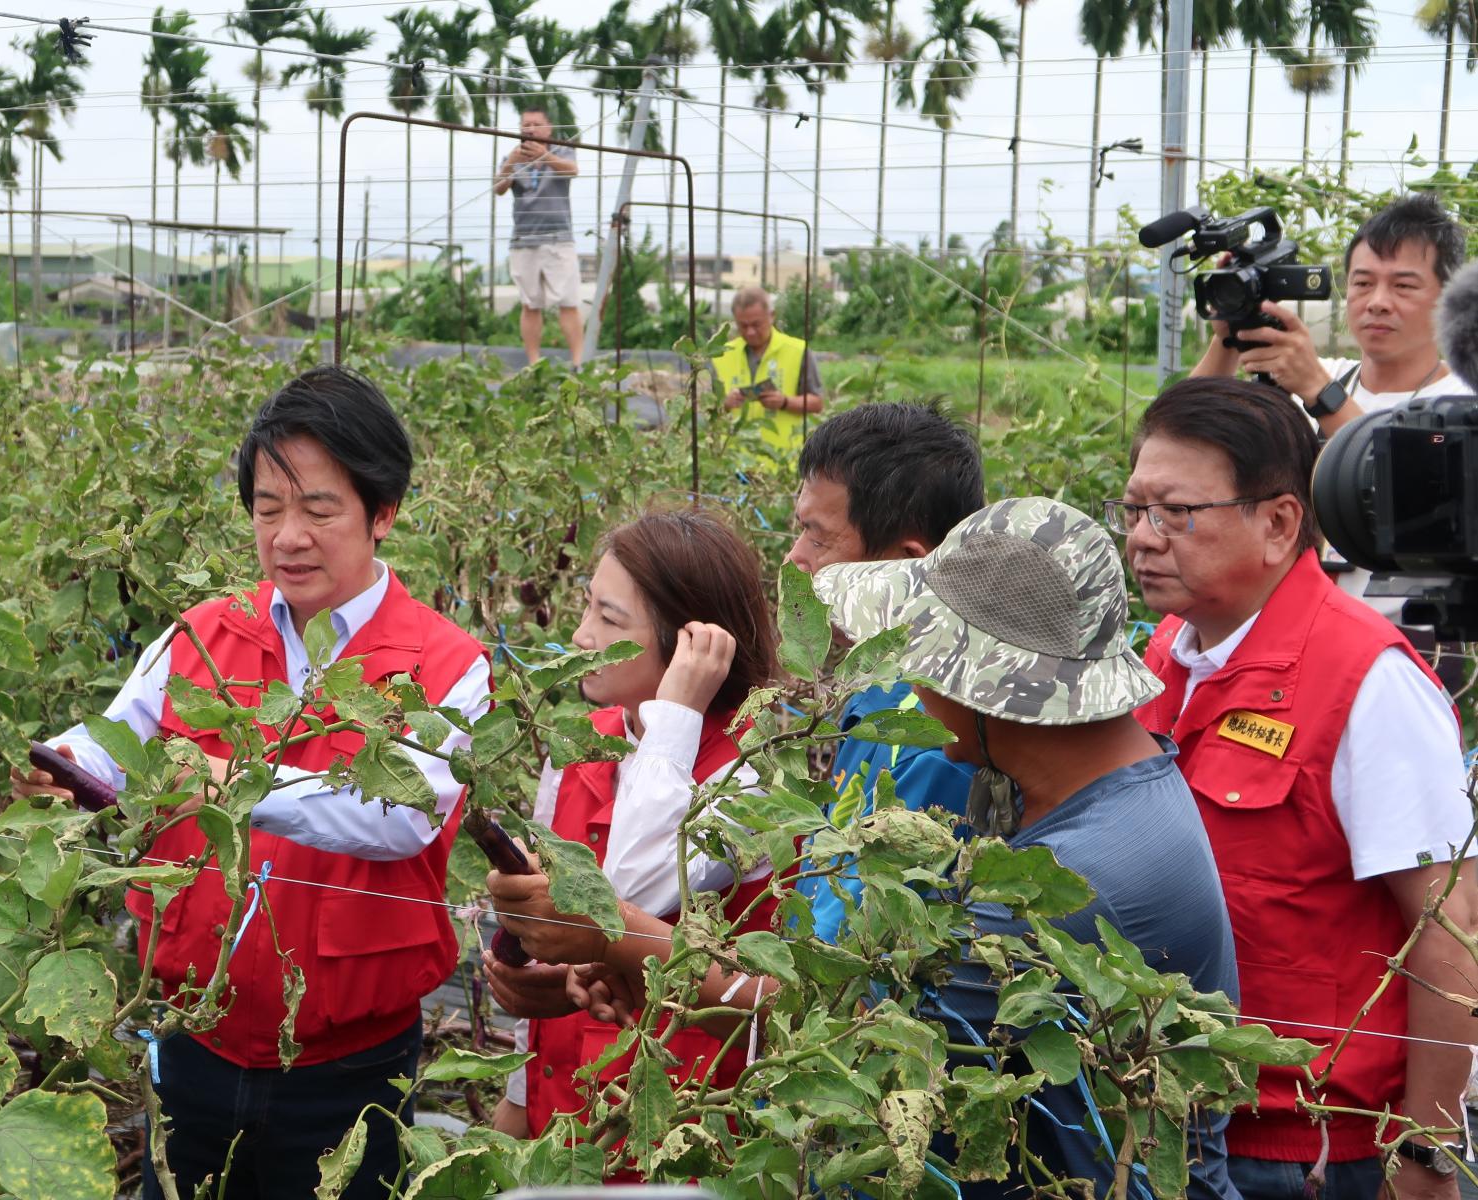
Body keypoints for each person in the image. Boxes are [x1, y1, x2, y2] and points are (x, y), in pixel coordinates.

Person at [490, 497, 1243, 1200]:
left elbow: (838, 1033)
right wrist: (643, 969)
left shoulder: (1076, 877)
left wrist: (616, 933)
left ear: (985, 682)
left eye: (919, 654)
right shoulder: (1078, 793)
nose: (906, 679)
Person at [12, 366, 493, 1199]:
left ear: (383, 513)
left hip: (351, 1063)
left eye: (317, 508)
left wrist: (230, 778)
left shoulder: (447, 664)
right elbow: (114, 745)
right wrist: (58, 768)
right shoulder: (202, 635)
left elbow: (400, 817)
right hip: (194, 1037)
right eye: (267, 509)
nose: (287, 536)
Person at [1117, 377, 1477, 1200]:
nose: (1142, 538)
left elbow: (1448, 927)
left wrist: (1424, 1159)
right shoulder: (1171, 650)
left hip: (1309, 1150)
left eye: (1176, 513)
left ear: (1278, 522)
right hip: (1175, 1122)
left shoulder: (1366, 681)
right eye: (1133, 509)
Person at [482, 506, 779, 1142]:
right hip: (561, 1108)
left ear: (689, 644)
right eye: (588, 608)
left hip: (673, 1131)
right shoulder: (581, 749)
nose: (582, 636)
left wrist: (674, 715)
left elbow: (618, 901)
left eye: (609, 619)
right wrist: (517, 1093)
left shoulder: (745, 781)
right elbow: (562, 940)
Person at [1190, 193, 1472, 620]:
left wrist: (1321, 394)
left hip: (1415, 641)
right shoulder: (1318, 376)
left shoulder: (1462, 400)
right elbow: (1186, 438)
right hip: (1304, 634)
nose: (1377, 301)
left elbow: (1415, 493)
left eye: (1403, 285)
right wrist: (1228, 336)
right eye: (1362, 283)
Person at [785, 401, 985, 942]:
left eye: (818, 538)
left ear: (904, 562)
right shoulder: (883, 686)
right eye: (799, 530)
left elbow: (838, 959)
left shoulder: (931, 738)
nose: (793, 559)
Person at [495, 106, 582, 368]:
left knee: (568, 301)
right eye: (525, 125)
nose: (529, 129)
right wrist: (512, 162)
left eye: (535, 124)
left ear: (548, 128)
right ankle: (534, 364)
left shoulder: (562, 150)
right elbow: (498, 188)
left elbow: (571, 170)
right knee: (530, 304)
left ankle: (579, 362)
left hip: (559, 237)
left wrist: (545, 156)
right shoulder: (512, 156)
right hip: (523, 239)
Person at [712, 285, 824, 449]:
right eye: (743, 326)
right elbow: (705, 407)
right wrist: (725, 403)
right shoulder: (723, 354)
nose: (750, 332)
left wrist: (785, 402)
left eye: (756, 324)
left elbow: (817, 403)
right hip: (734, 462)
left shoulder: (798, 351)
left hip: (783, 462)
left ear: (771, 316)